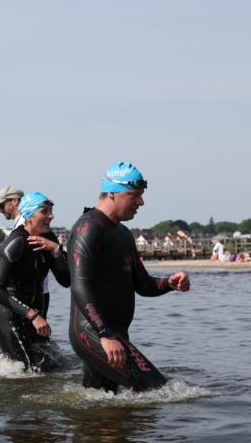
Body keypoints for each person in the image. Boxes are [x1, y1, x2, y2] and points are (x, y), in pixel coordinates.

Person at [67, 162, 190, 394]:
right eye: (133, 195)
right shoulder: (88, 227)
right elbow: (79, 285)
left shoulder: (122, 233)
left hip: (114, 333)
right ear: (111, 193)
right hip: (93, 332)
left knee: (102, 404)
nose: (140, 202)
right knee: (161, 392)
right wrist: (105, 334)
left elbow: (142, 284)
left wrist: (169, 283)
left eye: (141, 196)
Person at [0, 192, 70, 372]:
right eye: (45, 211)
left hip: (33, 318)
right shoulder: (16, 242)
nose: (51, 215)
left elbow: (66, 281)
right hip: (10, 318)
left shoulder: (49, 239)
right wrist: (33, 315)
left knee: (52, 367)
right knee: (27, 373)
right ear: (28, 215)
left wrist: (56, 251)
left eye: (51, 211)